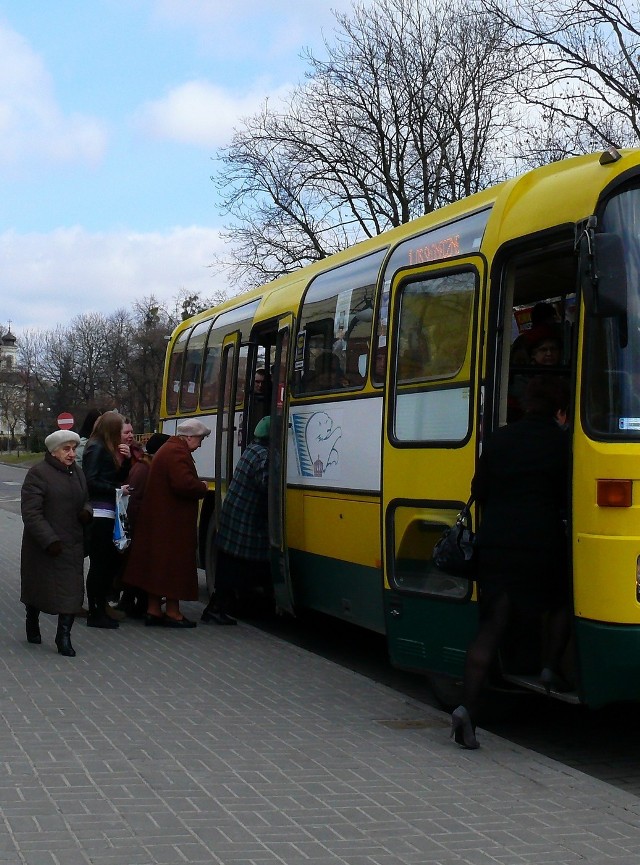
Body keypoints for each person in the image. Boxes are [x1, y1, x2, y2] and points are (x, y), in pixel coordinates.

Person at [451, 375, 571, 749]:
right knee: (559, 604)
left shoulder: (500, 439)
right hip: (543, 544)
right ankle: (549, 667)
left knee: (491, 628)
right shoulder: (562, 443)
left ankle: (466, 710)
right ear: (559, 410)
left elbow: (478, 490)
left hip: (499, 543)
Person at [122, 420, 209, 627]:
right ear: (188, 437)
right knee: (173, 568)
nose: (200, 444)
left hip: (160, 523)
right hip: (172, 525)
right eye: (200, 439)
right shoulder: (176, 452)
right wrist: (202, 487)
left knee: (158, 569)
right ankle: (173, 613)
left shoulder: (168, 449)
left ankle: (154, 610)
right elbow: (183, 484)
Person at [20, 430, 92, 657]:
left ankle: (64, 636)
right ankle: (32, 620)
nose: (71, 454)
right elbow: (31, 512)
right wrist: (49, 540)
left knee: (72, 590)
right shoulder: (38, 474)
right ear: (54, 452)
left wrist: (86, 513)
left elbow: (87, 500)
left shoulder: (78, 473)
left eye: (73, 448)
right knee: (38, 587)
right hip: (44, 546)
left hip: (72, 544)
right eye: (66, 449)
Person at [201, 416, 271, 626]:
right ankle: (216, 609)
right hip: (245, 523)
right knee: (237, 568)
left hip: (235, 518)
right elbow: (266, 486)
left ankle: (218, 607)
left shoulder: (252, 449)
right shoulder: (264, 456)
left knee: (230, 567)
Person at [82, 412, 131, 629]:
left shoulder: (105, 447)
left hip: (108, 511)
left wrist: (127, 461)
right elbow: (90, 481)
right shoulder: (96, 447)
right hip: (99, 513)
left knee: (107, 563)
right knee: (100, 564)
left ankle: (100, 608)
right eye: (120, 427)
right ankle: (96, 611)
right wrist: (116, 490)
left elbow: (116, 477)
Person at [115, 432, 170, 618]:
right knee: (137, 566)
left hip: (135, 522)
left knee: (133, 565)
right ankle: (138, 602)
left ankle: (130, 601)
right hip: (139, 523)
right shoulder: (146, 469)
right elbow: (138, 498)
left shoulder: (142, 466)